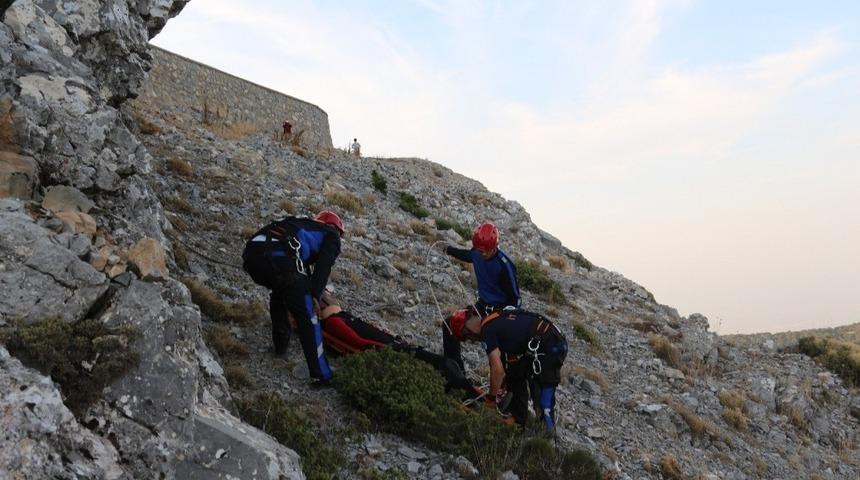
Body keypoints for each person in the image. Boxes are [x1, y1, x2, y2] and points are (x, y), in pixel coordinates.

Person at [242, 210, 344, 385]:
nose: (339, 239)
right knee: (308, 314)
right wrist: (314, 294)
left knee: (282, 290)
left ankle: (280, 344)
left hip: (252, 256)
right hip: (280, 257)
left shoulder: (298, 223)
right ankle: (322, 376)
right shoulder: (330, 234)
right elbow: (324, 266)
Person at [315, 290, 482, 397]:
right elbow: (359, 342)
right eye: (327, 296)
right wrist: (391, 348)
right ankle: (476, 397)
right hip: (395, 351)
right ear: (323, 304)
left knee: (447, 367)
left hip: (397, 347)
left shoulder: (343, 316)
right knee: (446, 364)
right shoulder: (333, 322)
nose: (332, 297)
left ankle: (471, 392)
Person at [453, 309, 568, 431]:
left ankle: (547, 435)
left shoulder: (487, 331)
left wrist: (491, 400)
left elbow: (497, 370)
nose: (472, 341)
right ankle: (519, 420)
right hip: (548, 339)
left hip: (550, 346)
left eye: (467, 338)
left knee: (542, 397)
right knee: (514, 374)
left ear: (466, 330)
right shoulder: (493, 318)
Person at [441, 222, 520, 370]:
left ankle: (504, 386)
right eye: (478, 250)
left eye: (485, 251)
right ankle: (454, 371)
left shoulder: (505, 266)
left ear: (494, 247)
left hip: (499, 312)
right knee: (449, 326)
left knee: (496, 351)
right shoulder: (477, 252)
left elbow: (515, 299)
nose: (481, 254)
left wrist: (503, 319)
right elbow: (467, 255)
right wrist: (449, 250)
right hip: (482, 306)